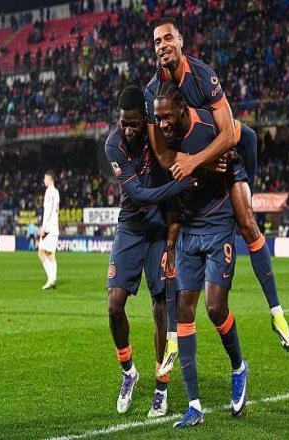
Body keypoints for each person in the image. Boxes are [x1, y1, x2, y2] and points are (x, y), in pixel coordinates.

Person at [145, 17, 289, 354]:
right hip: (199, 170)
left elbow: (230, 135)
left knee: (248, 223)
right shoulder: (152, 92)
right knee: (179, 241)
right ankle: (175, 339)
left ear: (180, 41)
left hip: (226, 158)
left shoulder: (203, 77)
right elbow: (162, 154)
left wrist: (197, 161)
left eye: (168, 38)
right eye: (156, 42)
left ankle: (277, 313)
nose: (163, 45)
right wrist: (197, 163)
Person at [154, 81, 249, 428]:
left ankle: (238, 367)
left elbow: (242, 143)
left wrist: (238, 189)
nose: (162, 123)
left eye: (167, 116)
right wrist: (170, 240)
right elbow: (167, 189)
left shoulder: (209, 128)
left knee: (215, 307)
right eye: (157, 118)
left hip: (218, 224)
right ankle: (194, 405)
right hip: (188, 231)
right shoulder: (163, 143)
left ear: (182, 109)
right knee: (184, 310)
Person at [105, 86, 195, 417]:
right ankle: (129, 372)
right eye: (123, 123)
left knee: (161, 307)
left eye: (134, 123)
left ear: (144, 118)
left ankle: (161, 386)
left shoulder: (157, 132)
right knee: (114, 305)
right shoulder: (113, 144)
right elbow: (140, 195)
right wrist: (181, 184)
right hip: (131, 226)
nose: (128, 129)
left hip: (159, 230)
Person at [38, 170, 60, 290]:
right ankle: (53, 279)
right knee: (50, 254)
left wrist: (44, 227)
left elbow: (49, 210)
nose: (44, 180)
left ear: (50, 178)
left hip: (49, 228)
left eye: (45, 178)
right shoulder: (56, 192)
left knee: (41, 253)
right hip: (55, 227)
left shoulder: (49, 192)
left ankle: (51, 278)